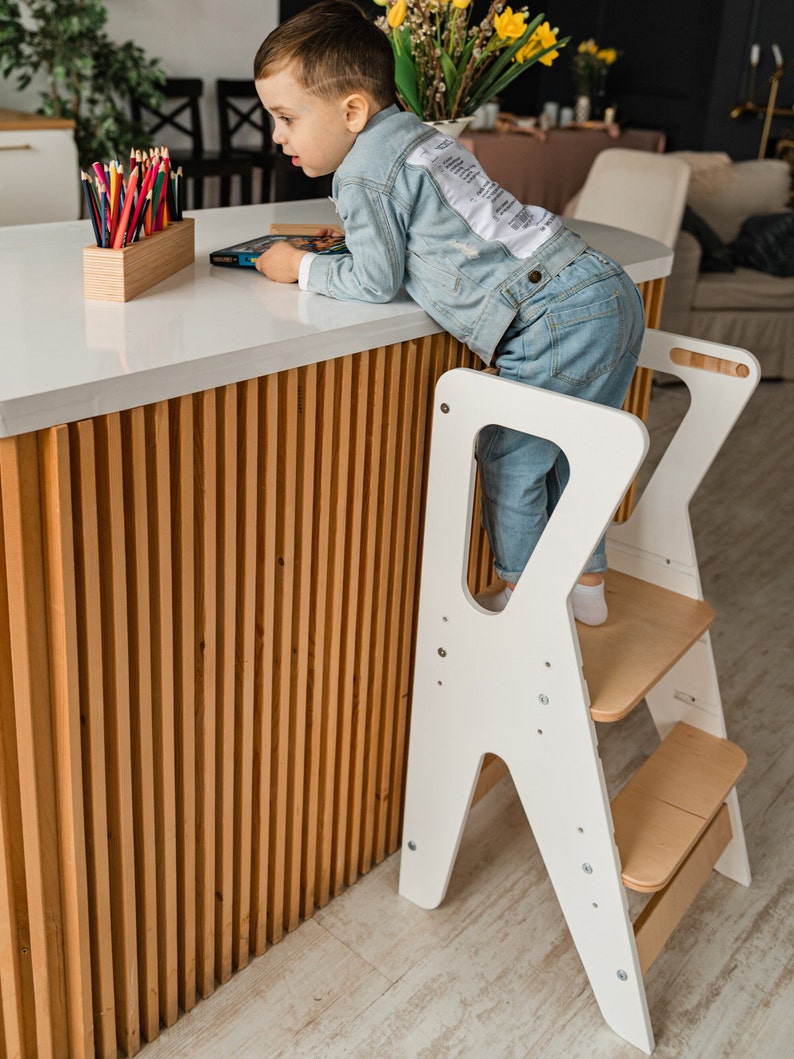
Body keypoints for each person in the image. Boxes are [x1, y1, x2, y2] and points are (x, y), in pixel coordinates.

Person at [252, 0, 645, 625]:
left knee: (511, 456)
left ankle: (523, 606)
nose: (276, 136)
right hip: (602, 288)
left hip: (549, 315)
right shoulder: (421, 135)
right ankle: (588, 587)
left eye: (285, 117)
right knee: (576, 451)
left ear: (352, 110)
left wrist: (297, 267)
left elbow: (374, 281)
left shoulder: (361, 174)